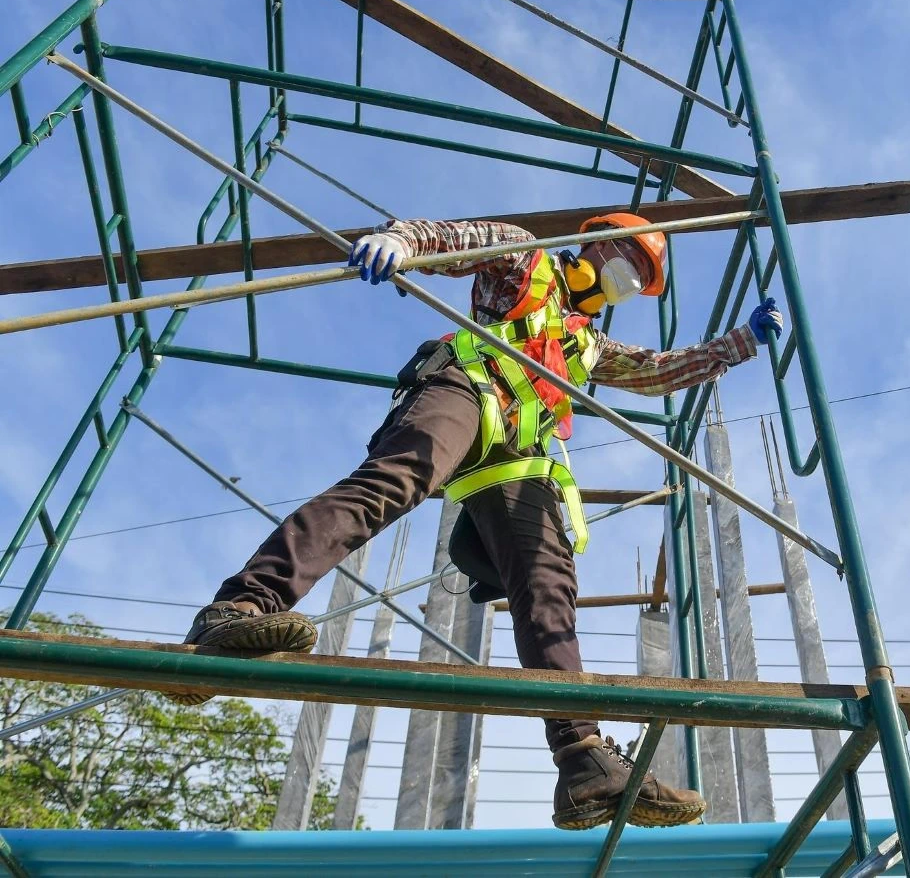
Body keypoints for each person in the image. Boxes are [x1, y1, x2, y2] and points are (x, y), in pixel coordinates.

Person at [171, 213, 785, 830]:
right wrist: (402, 242)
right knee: (393, 482)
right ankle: (240, 608)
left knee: (548, 585)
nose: (615, 289)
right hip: (465, 386)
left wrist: (739, 344)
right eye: (623, 270)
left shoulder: (585, 343)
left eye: (630, 288)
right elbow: (456, 241)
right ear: (595, 247)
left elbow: (655, 371)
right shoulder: (528, 259)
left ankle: (582, 757)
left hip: (516, 448)